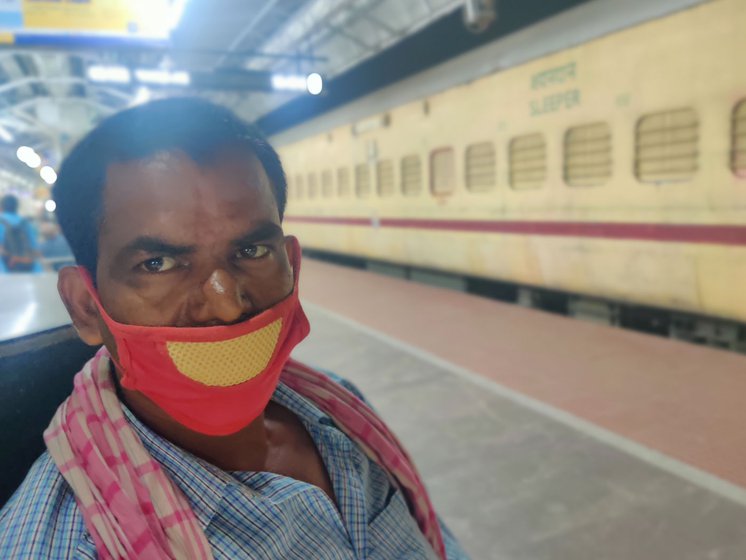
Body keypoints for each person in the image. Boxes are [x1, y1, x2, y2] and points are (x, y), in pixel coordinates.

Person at [0, 98, 468, 559]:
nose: (225, 306)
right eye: (158, 263)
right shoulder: (62, 544)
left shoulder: (337, 414)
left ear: (292, 264)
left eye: (253, 252)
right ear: (86, 307)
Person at [0, 194, 42, 273]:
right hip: (28, 269)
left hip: (4, 270)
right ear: (17, 207)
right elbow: (35, 248)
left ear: (1, 207)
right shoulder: (26, 223)